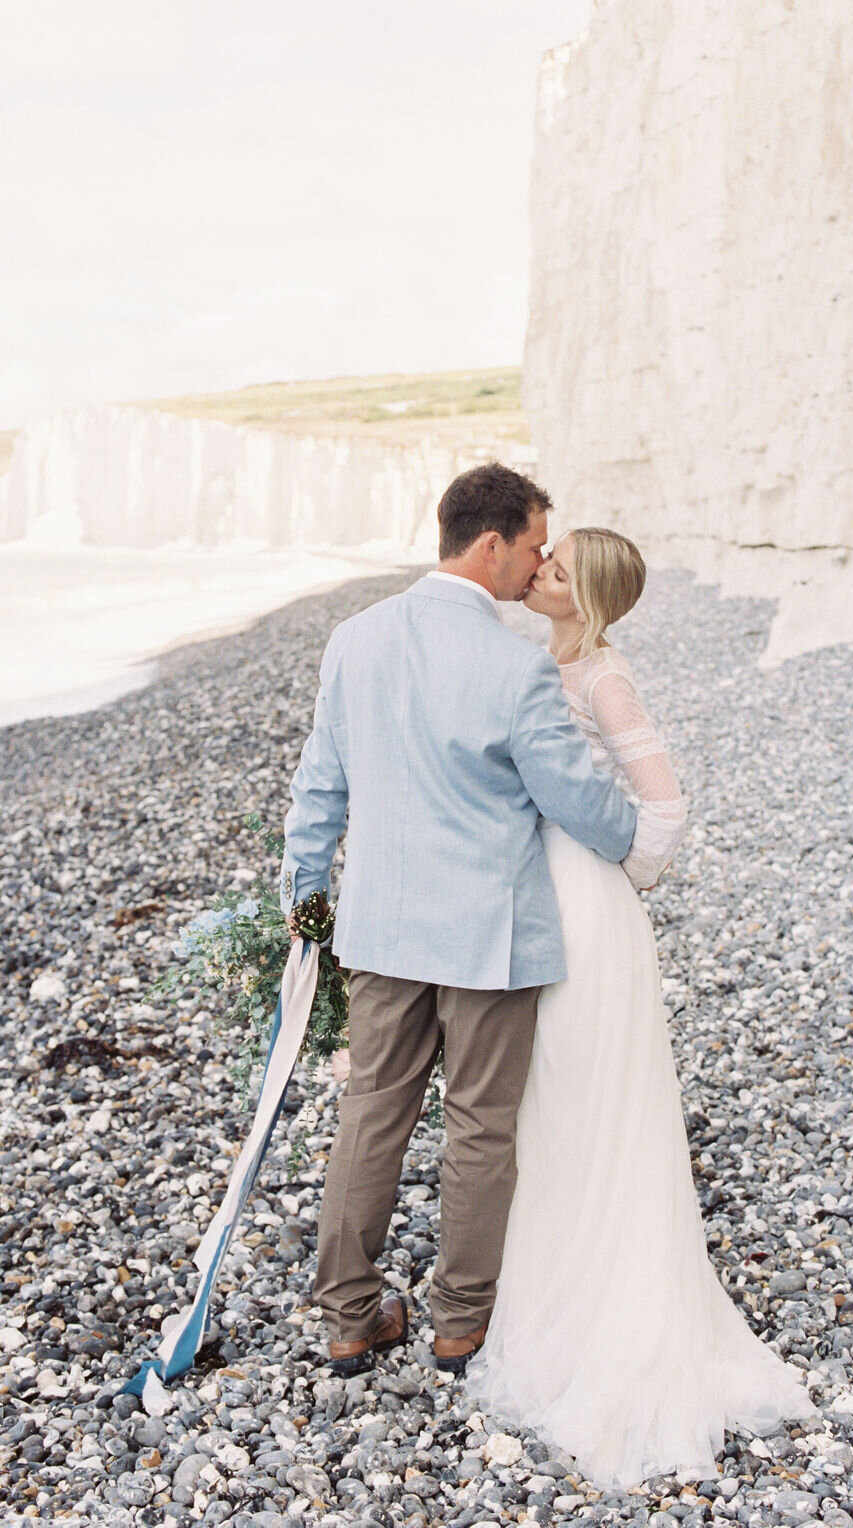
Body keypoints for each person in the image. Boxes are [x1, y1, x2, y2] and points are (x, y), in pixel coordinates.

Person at [466, 527, 816, 1485]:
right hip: (542, 900)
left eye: (559, 570)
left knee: (593, 1104)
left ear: (591, 598)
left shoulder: (603, 679)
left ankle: (618, 1320)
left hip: (587, 910)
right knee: (558, 1108)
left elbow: (665, 805)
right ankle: (561, 1300)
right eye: (544, 559)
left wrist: (626, 876)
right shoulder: (547, 659)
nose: (539, 571)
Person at [278, 464, 639, 1377]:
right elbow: (584, 807)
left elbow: (321, 782)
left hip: (380, 926)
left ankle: (351, 1314)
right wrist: (641, 827)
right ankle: (458, 1321)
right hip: (490, 933)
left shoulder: (354, 639)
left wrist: (306, 891)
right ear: (490, 544)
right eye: (529, 548)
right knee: (481, 1126)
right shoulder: (514, 666)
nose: (535, 566)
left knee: (372, 1112)